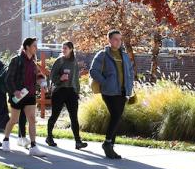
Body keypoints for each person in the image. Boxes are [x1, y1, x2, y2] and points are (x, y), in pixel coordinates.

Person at [89, 29, 134, 159]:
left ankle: (110, 146)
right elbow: (93, 71)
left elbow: (130, 73)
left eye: (120, 39)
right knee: (115, 116)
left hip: (123, 91)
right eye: (115, 39)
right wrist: (105, 83)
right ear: (109, 40)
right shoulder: (102, 55)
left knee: (117, 117)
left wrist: (129, 89)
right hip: (109, 92)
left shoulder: (124, 56)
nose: (118, 41)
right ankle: (107, 143)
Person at [1, 37, 45, 156]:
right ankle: (5, 140)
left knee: (31, 119)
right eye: (34, 46)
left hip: (30, 94)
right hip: (18, 95)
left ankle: (34, 146)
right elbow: (8, 78)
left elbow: (38, 75)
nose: (36, 48)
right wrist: (15, 91)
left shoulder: (33, 61)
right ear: (27, 47)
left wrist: (42, 81)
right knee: (14, 120)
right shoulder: (16, 60)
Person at [46, 41, 88, 150]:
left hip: (71, 92)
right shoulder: (59, 61)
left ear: (71, 49)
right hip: (59, 91)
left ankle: (78, 141)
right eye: (62, 48)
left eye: (65, 48)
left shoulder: (74, 62)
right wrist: (60, 78)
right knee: (55, 115)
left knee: (74, 117)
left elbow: (76, 79)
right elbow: (51, 77)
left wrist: (77, 92)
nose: (63, 50)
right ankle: (49, 137)